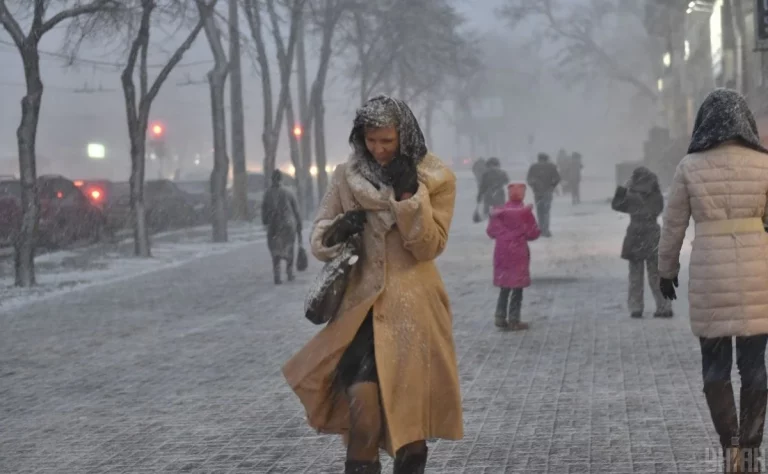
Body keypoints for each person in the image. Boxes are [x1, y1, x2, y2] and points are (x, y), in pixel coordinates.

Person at [282, 95, 463, 474]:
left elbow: (429, 246)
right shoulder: (346, 176)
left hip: (414, 314)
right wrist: (338, 231)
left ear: (405, 136)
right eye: (370, 140)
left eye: (387, 140)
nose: (378, 149)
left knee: (409, 427)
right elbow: (319, 238)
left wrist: (409, 198)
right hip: (359, 315)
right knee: (363, 414)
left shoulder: (436, 178)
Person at [658, 89, 768, 473]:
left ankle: (731, 444)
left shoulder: (690, 166)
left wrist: (665, 270)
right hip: (758, 272)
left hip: (710, 275)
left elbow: (673, 225)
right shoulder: (763, 164)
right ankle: (752, 448)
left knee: (715, 369)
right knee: (754, 367)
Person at [611, 166, 672, 319]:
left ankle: (636, 307)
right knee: (656, 274)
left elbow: (616, 205)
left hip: (635, 234)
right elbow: (657, 210)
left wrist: (623, 188)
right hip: (653, 233)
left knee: (635, 275)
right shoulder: (656, 195)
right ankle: (664, 306)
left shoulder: (631, 196)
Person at [487, 183, 540, 330]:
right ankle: (514, 319)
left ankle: (499, 315)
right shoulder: (525, 213)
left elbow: (491, 232)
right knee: (517, 287)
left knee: (505, 285)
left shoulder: (499, 212)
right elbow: (533, 233)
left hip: (502, 251)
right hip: (518, 251)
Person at [261, 170, 301, 285]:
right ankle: (289, 272)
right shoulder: (289, 192)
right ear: (281, 179)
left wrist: (265, 221)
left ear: (272, 179)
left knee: (275, 251)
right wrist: (298, 223)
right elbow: (296, 210)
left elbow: (264, 210)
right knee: (289, 248)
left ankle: (277, 275)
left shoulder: (267, 193)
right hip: (288, 225)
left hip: (274, 225)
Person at [526, 153, 560, 237]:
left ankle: (540, 229)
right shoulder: (551, 166)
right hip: (548, 192)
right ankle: (546, 230)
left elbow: (529, 179)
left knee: (540, 211)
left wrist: (533, 186)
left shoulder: (533, 167)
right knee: (546, 211)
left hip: (537, 193)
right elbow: (557, 178)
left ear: (539, 159)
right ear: (546, 159)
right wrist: (552, 186)